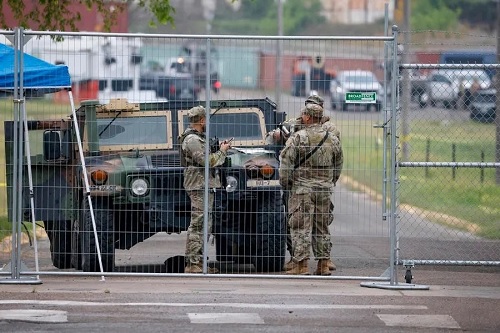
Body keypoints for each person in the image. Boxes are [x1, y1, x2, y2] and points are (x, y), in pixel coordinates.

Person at [266, 94, 340, 272]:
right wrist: (329, 181)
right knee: (321, 226)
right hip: (324, 188)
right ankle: (323, 264)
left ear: (307, 116)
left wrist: (286, 183)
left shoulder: (298, 137)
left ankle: (302, 264)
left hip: (302, 189)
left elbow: (286, 163)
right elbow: (338, 164)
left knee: (300, 225)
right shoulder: (332, 137)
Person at [179, 105, 231, 273]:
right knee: (198, 224)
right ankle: (192, 263)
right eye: (205, 119)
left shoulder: (198, 138)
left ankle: (199, 262)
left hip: (203, 185)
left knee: (205, 225)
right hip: (198, 185)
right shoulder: (192, 140)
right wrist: (222, 152)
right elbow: (208, 162)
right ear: (201, 120)